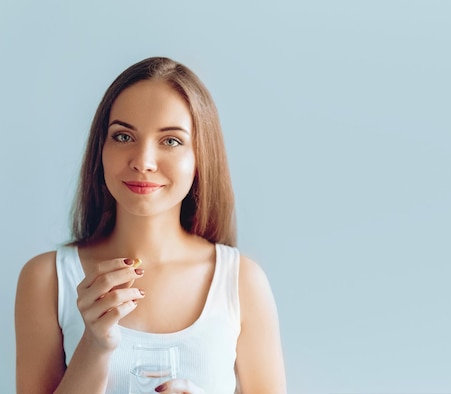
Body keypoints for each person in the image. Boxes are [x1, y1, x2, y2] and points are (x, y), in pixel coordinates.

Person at [15, 57, 287, 394]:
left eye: (171, 141)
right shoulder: (46, 279)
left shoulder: (241, 280)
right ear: (100, 148)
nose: (142, 162)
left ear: (200, 157)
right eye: (123, 136)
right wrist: (96, 345)